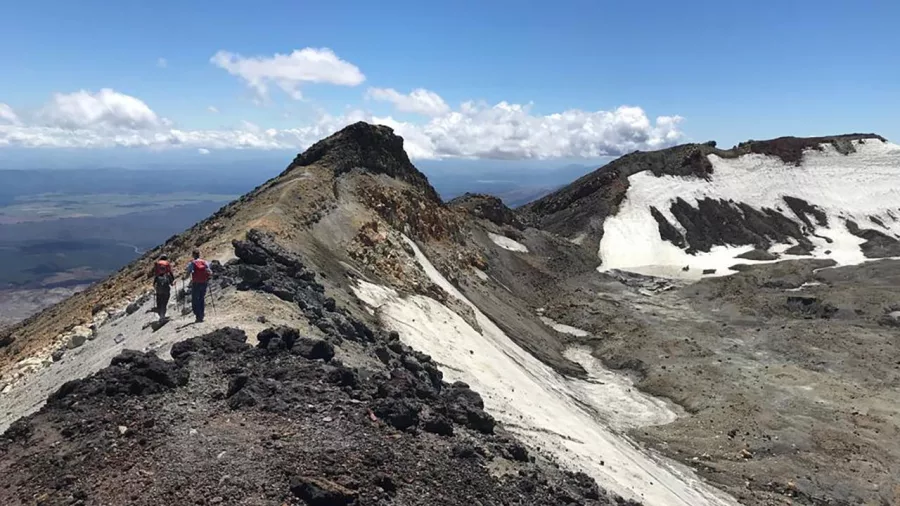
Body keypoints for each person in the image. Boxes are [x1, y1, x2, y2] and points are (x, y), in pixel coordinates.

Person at [186, 249, 212, 322]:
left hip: (196, 283)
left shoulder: (192, 263)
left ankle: (198, 316)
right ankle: (202, 314)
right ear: (199, 254)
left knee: (195, 299)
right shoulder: (204, 262)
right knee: (201, 298)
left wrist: (184, 278)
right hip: (204, 282)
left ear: (193, 255)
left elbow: (188, 272)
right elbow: (210, 271)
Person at [150, 254, 175, 320]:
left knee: (159, 301)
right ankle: (162, 315)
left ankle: (160, 314)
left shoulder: (157, 265)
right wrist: (173, 281)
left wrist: (154, 285)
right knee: (164, 301)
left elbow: (155, 276)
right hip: (166, 288)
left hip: (158, 288)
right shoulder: (167, 270)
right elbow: (171, 274)